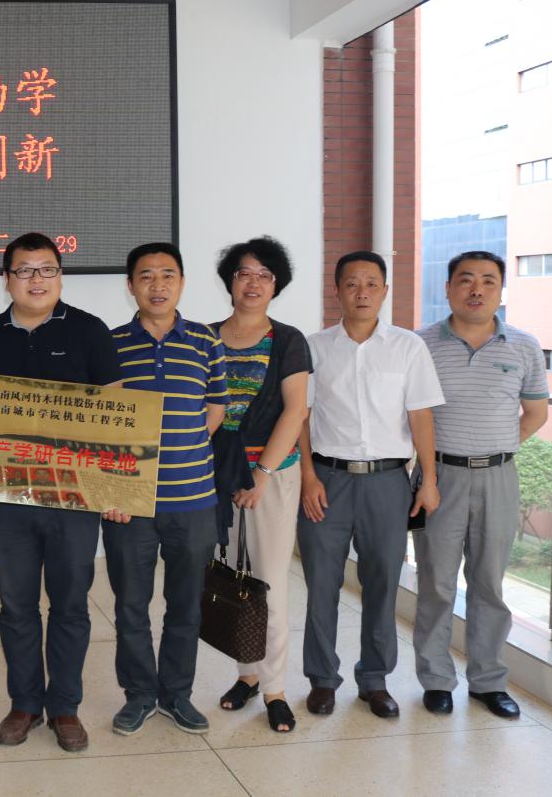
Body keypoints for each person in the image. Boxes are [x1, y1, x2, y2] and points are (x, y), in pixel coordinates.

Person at [0, 232, 121, 753]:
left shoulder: (90, 331)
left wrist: (116, 487)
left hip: (74, 499)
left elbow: (115, 413)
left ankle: (66, 707)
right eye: (25, 270)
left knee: (71, 604)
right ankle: (25, 703)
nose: (37, 279)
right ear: (6, 278)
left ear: (60, 275)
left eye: (47, 269)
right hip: (7, 499)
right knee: (16, 606)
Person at [298, 251, 443, 719]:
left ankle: (375, 680)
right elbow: (300, 417)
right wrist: (306, 477)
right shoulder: (314, 348)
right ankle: (322, 679)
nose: (362, 292)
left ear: (384, 290)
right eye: (352, 283)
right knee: (321, 584)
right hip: (327, 481)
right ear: (337, 290)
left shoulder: (407, 347)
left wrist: (428, 480)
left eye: (371, 284)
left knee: (382, 584)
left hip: (388, 483)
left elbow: (421, 417)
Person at [413, 251, 548, 719]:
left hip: (498, 477)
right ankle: (436, 680)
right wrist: (430, 472)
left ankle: (488, 682)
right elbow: (413, 415)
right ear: (448, 288)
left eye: (488, 281)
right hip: (438, 477)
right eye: (466, 280)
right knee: (435, 582)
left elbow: (536, 414)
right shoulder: (421, 345)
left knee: (489, 583)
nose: (477, 289)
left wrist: (495, 448)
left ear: (500, 290)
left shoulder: (524, 346)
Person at [101, 243, 228, 737]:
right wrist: (115, 487)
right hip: (129, 504)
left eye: (167, 275)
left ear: (182, 283)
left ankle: (177, 694)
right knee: (130, 605)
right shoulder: (110, 344)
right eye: (146, 276)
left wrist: (182, 450)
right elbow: (100, 425)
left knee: (186, 604)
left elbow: (214, 410)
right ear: (130, 285)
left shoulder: (205, 341)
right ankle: (139, 695)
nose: (157, 285)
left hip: (193, 500)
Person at [210, 237, 311, 733]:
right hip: (214, 474)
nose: (253, 283)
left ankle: (274, 690)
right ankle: (246, 675)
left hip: (270, 472)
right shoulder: (205, 337)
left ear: (276, 285)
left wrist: (262, 474)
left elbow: (296, 411)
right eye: (244, 273)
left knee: (268, 582)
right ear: (230, 280)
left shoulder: (288, 340)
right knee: (232, 578)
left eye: (264, 275)